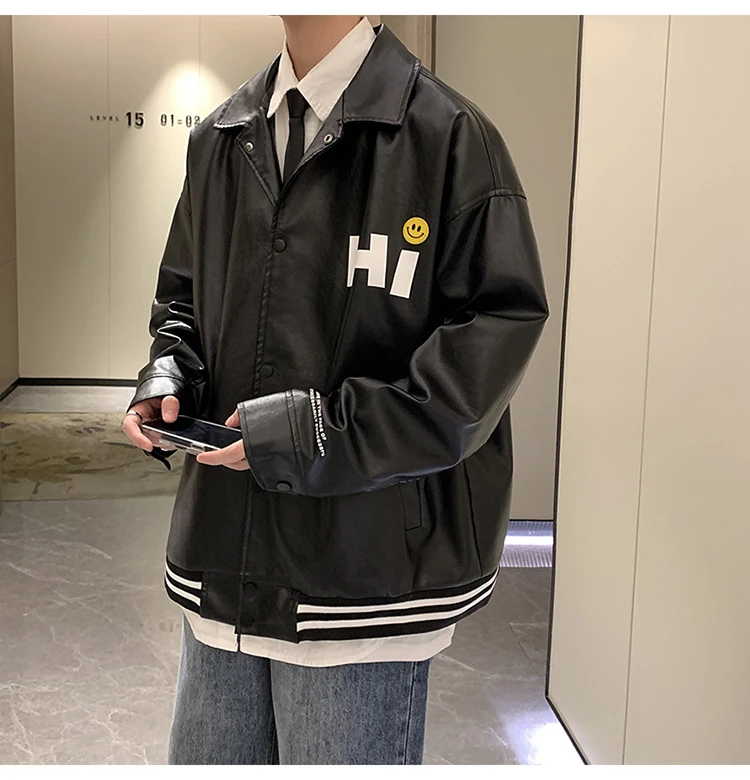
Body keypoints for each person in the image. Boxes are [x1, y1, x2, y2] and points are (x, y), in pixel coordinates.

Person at [122, 15, 548, 766]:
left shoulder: (449, 138)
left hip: (364, 576)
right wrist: (168, 375)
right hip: (223, 557)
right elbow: (183, 297)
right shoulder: (221, 136)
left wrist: (315, 433)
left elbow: (486, 348)